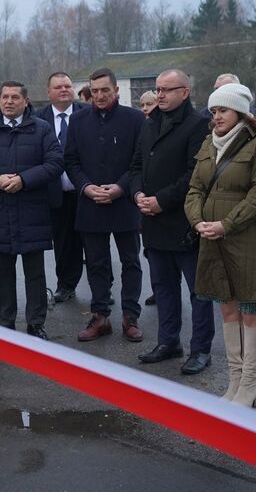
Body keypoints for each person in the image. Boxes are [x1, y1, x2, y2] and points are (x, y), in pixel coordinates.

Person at [185, 83, 256, 407]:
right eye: (213, 111)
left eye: (222, 110)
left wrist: (227, 224)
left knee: (251, 308)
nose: (216, 117)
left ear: (240, 112)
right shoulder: (208, 145)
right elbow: (195, 188)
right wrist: (198, 221)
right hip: (212, 236)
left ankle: (251, 383)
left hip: (247, 238)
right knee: (227, 306)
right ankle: (235, 380)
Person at [129, 69, 214, 375]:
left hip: (184, 223)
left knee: (198, 291)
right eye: (158, 89)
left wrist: (161, 201)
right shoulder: (149, 123)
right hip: (152, 223)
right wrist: (137, 192)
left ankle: (201, 349)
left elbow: (194, 175)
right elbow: (136, 164)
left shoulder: (198, 126)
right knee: (163, 287)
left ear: (185, 92)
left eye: (167, 89)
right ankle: (168, 342)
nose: (160, 95)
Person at [0, 81, 63, 339]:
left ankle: (35, 323)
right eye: (5, 97)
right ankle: (6, 326)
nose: (9, 101)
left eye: (15, 97)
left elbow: (55, 163)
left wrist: (24, 179)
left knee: (35, 274)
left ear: (25, 101)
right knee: (4, 273)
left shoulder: (41, 129)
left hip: (32, 211)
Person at [65, 68, 145, 343]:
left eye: (105, 90)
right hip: (90, 203)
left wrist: (120, 188)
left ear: (116, 90)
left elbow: (140, 161)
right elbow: (71, 161)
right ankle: (100, 316)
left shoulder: (135, 119)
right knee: (96, 263)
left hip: (123, 202)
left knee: (130, 261)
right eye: (95, 90)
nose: (99, 95)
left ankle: (130, 317)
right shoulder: (77, 121)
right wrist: (86, 187)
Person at [36, 72, 89, 304]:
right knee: (63, 243)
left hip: (86, 191)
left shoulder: (87, 115)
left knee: (93, 244)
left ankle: (102, 289)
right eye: (58, 87)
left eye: (67, 85)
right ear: (48, 92)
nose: (64, 90)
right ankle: (66, 285)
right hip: (55, 193)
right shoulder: (38, 120)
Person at [138, 89, 158, 306]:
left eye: (149, 104)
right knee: (149, 249)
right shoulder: (142, 127)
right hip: (142, 198)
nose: (145, 108)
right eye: (142, 105)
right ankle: (157, 288)